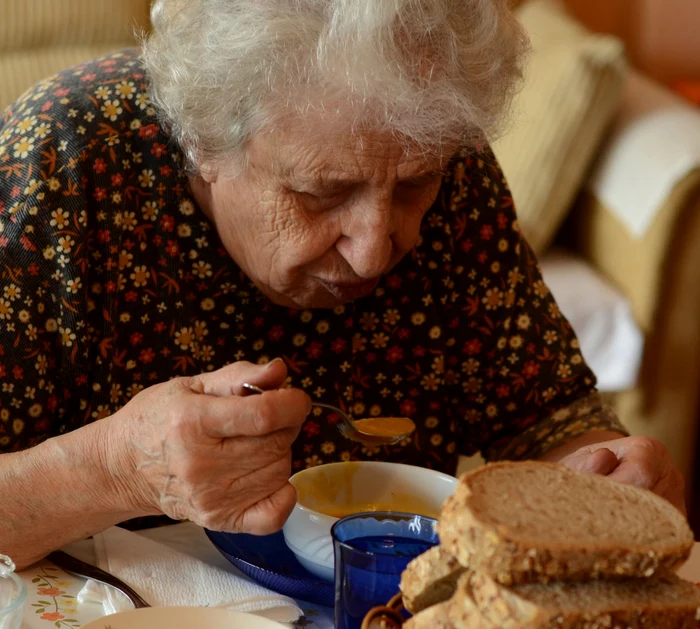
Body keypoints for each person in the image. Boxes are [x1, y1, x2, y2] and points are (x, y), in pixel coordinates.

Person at [0, 0, 685, 570]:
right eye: (321, 193)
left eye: (415, 185)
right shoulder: (63, 162)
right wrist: (113, 467)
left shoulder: (443, 152)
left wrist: (608, 474)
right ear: (202, 143)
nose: (373, 252)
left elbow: (547, 419)